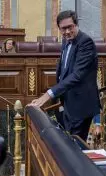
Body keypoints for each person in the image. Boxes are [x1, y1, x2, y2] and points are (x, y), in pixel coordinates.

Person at [29, 10, 100, 141]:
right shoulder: (65, 40)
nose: (67, 32)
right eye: (63, 29)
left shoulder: (86, 42)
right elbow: (64, 71)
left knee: (75, 147)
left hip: (81, 104)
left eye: (70, 27)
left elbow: (77, 75)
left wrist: (47, 95)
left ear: (76, 24)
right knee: (68, 143)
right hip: (67, 101)